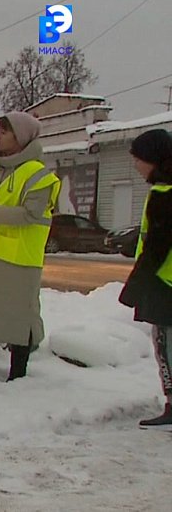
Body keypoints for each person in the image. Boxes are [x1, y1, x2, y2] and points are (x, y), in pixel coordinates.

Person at [0, 111, 60, 383]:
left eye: (3, 132)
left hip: (19, 258)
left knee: (18, 316)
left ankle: (18, 374)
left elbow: (30, 213)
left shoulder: (39, 175)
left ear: (21, 137)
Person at [118, 128, 172, 430]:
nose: (136, 166)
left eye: (138, 159)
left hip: (165, 283)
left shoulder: (164, 194)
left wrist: (135, 287)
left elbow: (156, 247)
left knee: (165, 343)